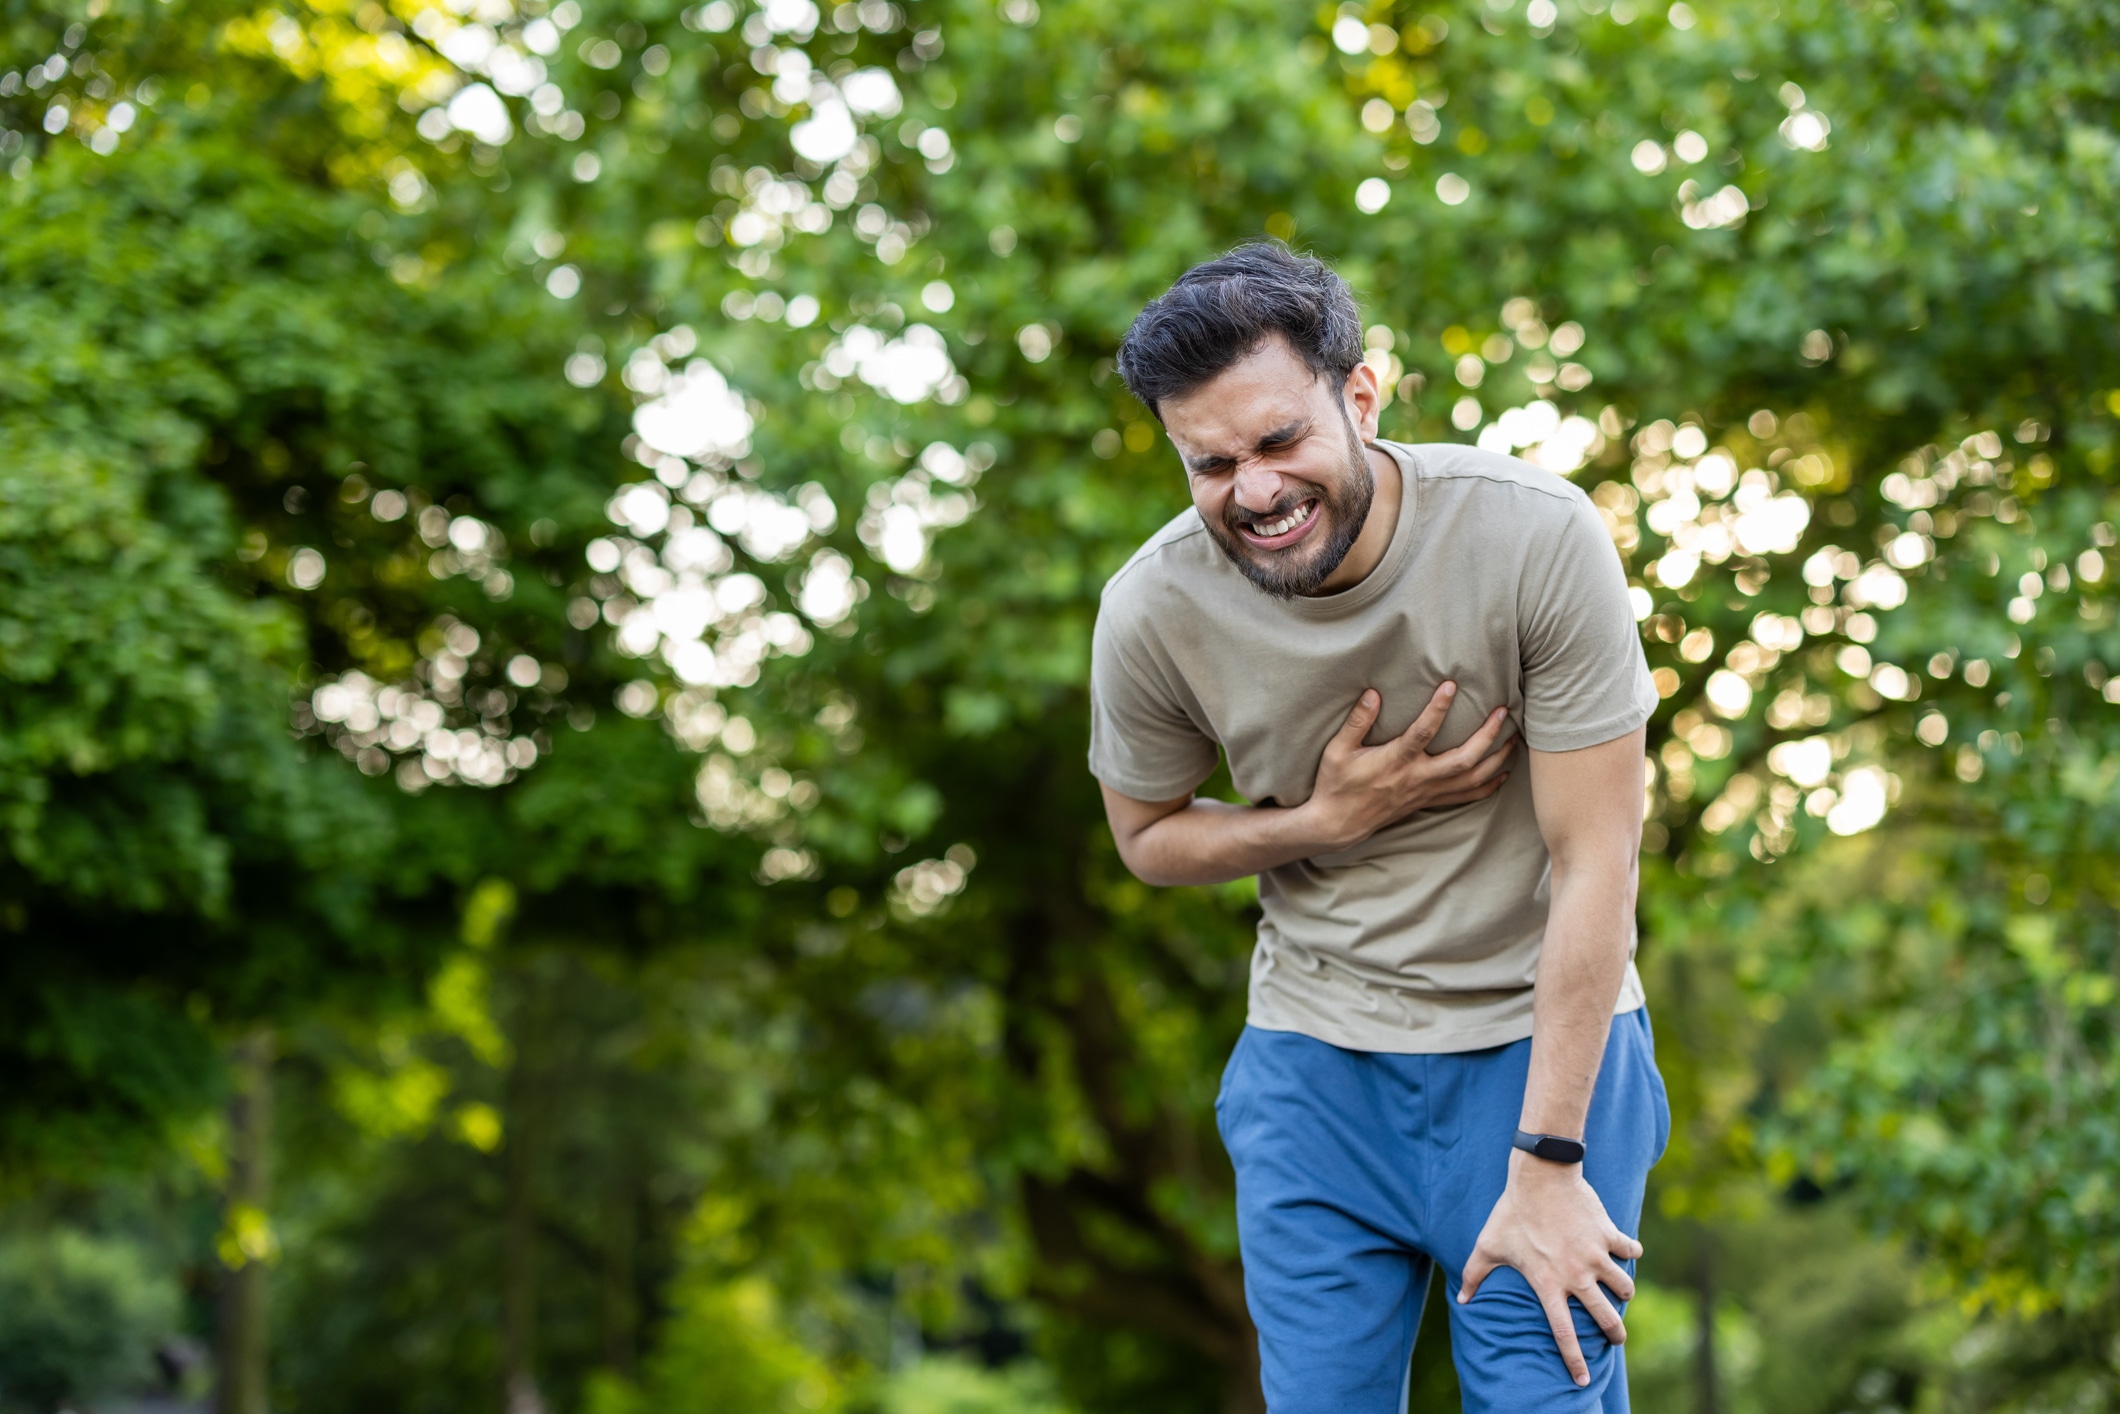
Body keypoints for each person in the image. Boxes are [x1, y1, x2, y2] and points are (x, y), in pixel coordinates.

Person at [1089, 243, 1669, 1413]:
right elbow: (1147, 837)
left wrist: (1550, 1159)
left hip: (1536, 1055)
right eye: (1208, 463)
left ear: (1358, 396)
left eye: (1275, 442)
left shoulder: (1532, 539)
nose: (1250, 491)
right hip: (1314, 1064)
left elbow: (1593, 857)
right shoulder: (1151, 607)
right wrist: (1318, 819)